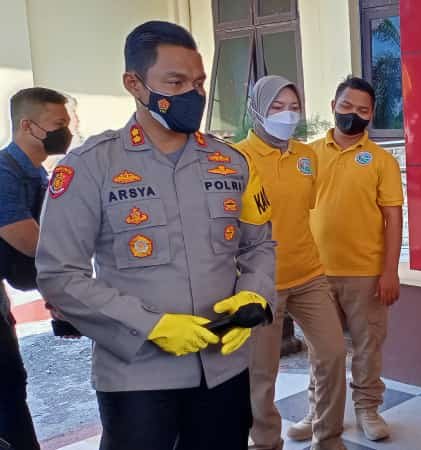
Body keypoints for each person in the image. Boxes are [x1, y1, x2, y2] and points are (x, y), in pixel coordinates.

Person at [35, 21, 276, 450]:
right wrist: (151, 326)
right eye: (175, 82)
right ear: (134, 84)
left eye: (199, 83)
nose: (193, 94)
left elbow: (259, 244)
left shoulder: (232, 162)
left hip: (223, 368)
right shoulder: (90, 167)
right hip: (137, 379)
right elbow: (60, 276)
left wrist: (255, 294)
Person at [234, 75, 349, 450]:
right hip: (260, 282)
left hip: (309, 274)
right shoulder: (236, 159)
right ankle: (266, 442)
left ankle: (327, 438)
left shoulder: (306, 157)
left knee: (332, 354)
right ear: (255, 109)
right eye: (276, 107)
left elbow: (302, 211)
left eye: (294, 107)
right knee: (261, 374)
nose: (287, 115)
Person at [289, 76, 403, 443]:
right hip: (314, 274)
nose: (353, 114)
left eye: (362, 109)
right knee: (321, 352)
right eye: (346, 106)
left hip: (366, 273)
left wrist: (389, 271)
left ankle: (367, 408)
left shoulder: (382, 161)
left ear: (371, 114)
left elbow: (393, 218)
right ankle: (318, 412)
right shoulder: (306, 156)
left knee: (368, 347)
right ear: (333, 106)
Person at [0, 87, 72, 450]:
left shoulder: (36, 175)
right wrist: (67, 291)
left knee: (11, 385)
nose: (68, 131)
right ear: (28, 126)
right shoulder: (3, 173)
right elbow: (31, 243)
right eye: (59, 124)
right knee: (6, 389)